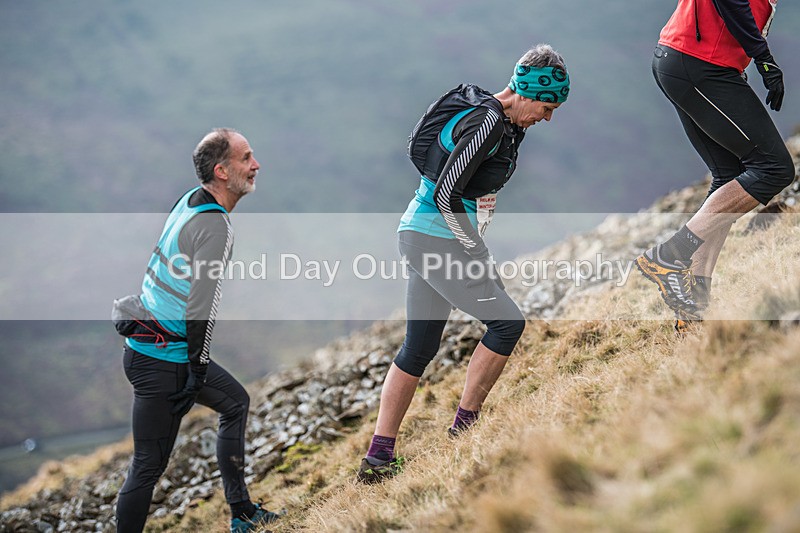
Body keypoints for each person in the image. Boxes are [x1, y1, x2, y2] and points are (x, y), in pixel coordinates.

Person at [357, 45, 570, 483]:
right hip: (435, 238)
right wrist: (476, 250)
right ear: (528, 93)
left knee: (419, 348)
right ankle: (465, 429)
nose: (547, 118)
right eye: (547, 108)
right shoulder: (489, 121)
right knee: (507, 324)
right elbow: (445, 194)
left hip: (425, 235)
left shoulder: (506, 124)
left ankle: (378, 459)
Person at [115, 129, 279, 533]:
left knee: (234, 404)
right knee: (148, 465)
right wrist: (197, 369)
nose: (256, 165)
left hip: (146, 347)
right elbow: (202, 306)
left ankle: (243, 513)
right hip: (164, 358)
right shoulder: (215, 226)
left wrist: (195, 367)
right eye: (246, 158)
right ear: (222, 171)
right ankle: (242, 515)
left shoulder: (190, 199)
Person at [635, 0, 794, 332]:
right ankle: (669, 255)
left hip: (684, 60)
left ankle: (693, 306)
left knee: (729, 176)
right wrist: (763, 58)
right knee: (774, 168)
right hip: (699, 65)